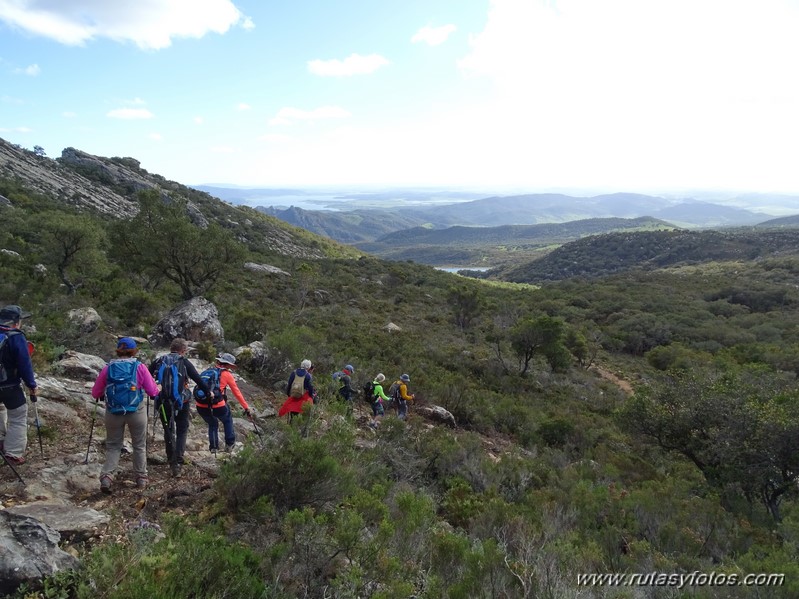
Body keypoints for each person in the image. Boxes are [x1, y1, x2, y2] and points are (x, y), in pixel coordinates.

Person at [91, 337, 159, 493]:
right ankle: (141, 477)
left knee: (114, 445)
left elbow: (95, 392)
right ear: (134, 351)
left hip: (113, 411)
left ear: (118, 350)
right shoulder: (139, 367)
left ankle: (107, 477)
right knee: (139, 445)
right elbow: (152, 391)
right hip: (136, 411)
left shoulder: (108, 368)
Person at [149, 338, 213, 478]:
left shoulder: (159, 361)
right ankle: (178, 459)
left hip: (163, 401)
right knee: (182, 428)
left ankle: (171, 460)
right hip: (181, 402)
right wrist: (208, 392)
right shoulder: (184, 362)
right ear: (183, 350)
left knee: (168, 429)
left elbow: (148, 376)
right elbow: (197, 379)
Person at [0, 305, 37, 465]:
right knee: (18, 416)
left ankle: (1, 439)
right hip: (10, 386)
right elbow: (24, 364)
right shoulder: (15, 337)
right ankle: (13, 453)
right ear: (15, 322)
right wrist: (31, 384)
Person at [195, 353, 251, 455]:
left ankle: (213, 448)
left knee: (212, 424)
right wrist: (246, 407)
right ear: (228, 364)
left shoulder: (206, 371)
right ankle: (229, 445)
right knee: (227, 419)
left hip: (201, 405)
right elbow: (236, 392)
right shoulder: (226, 375)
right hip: (218, 405)